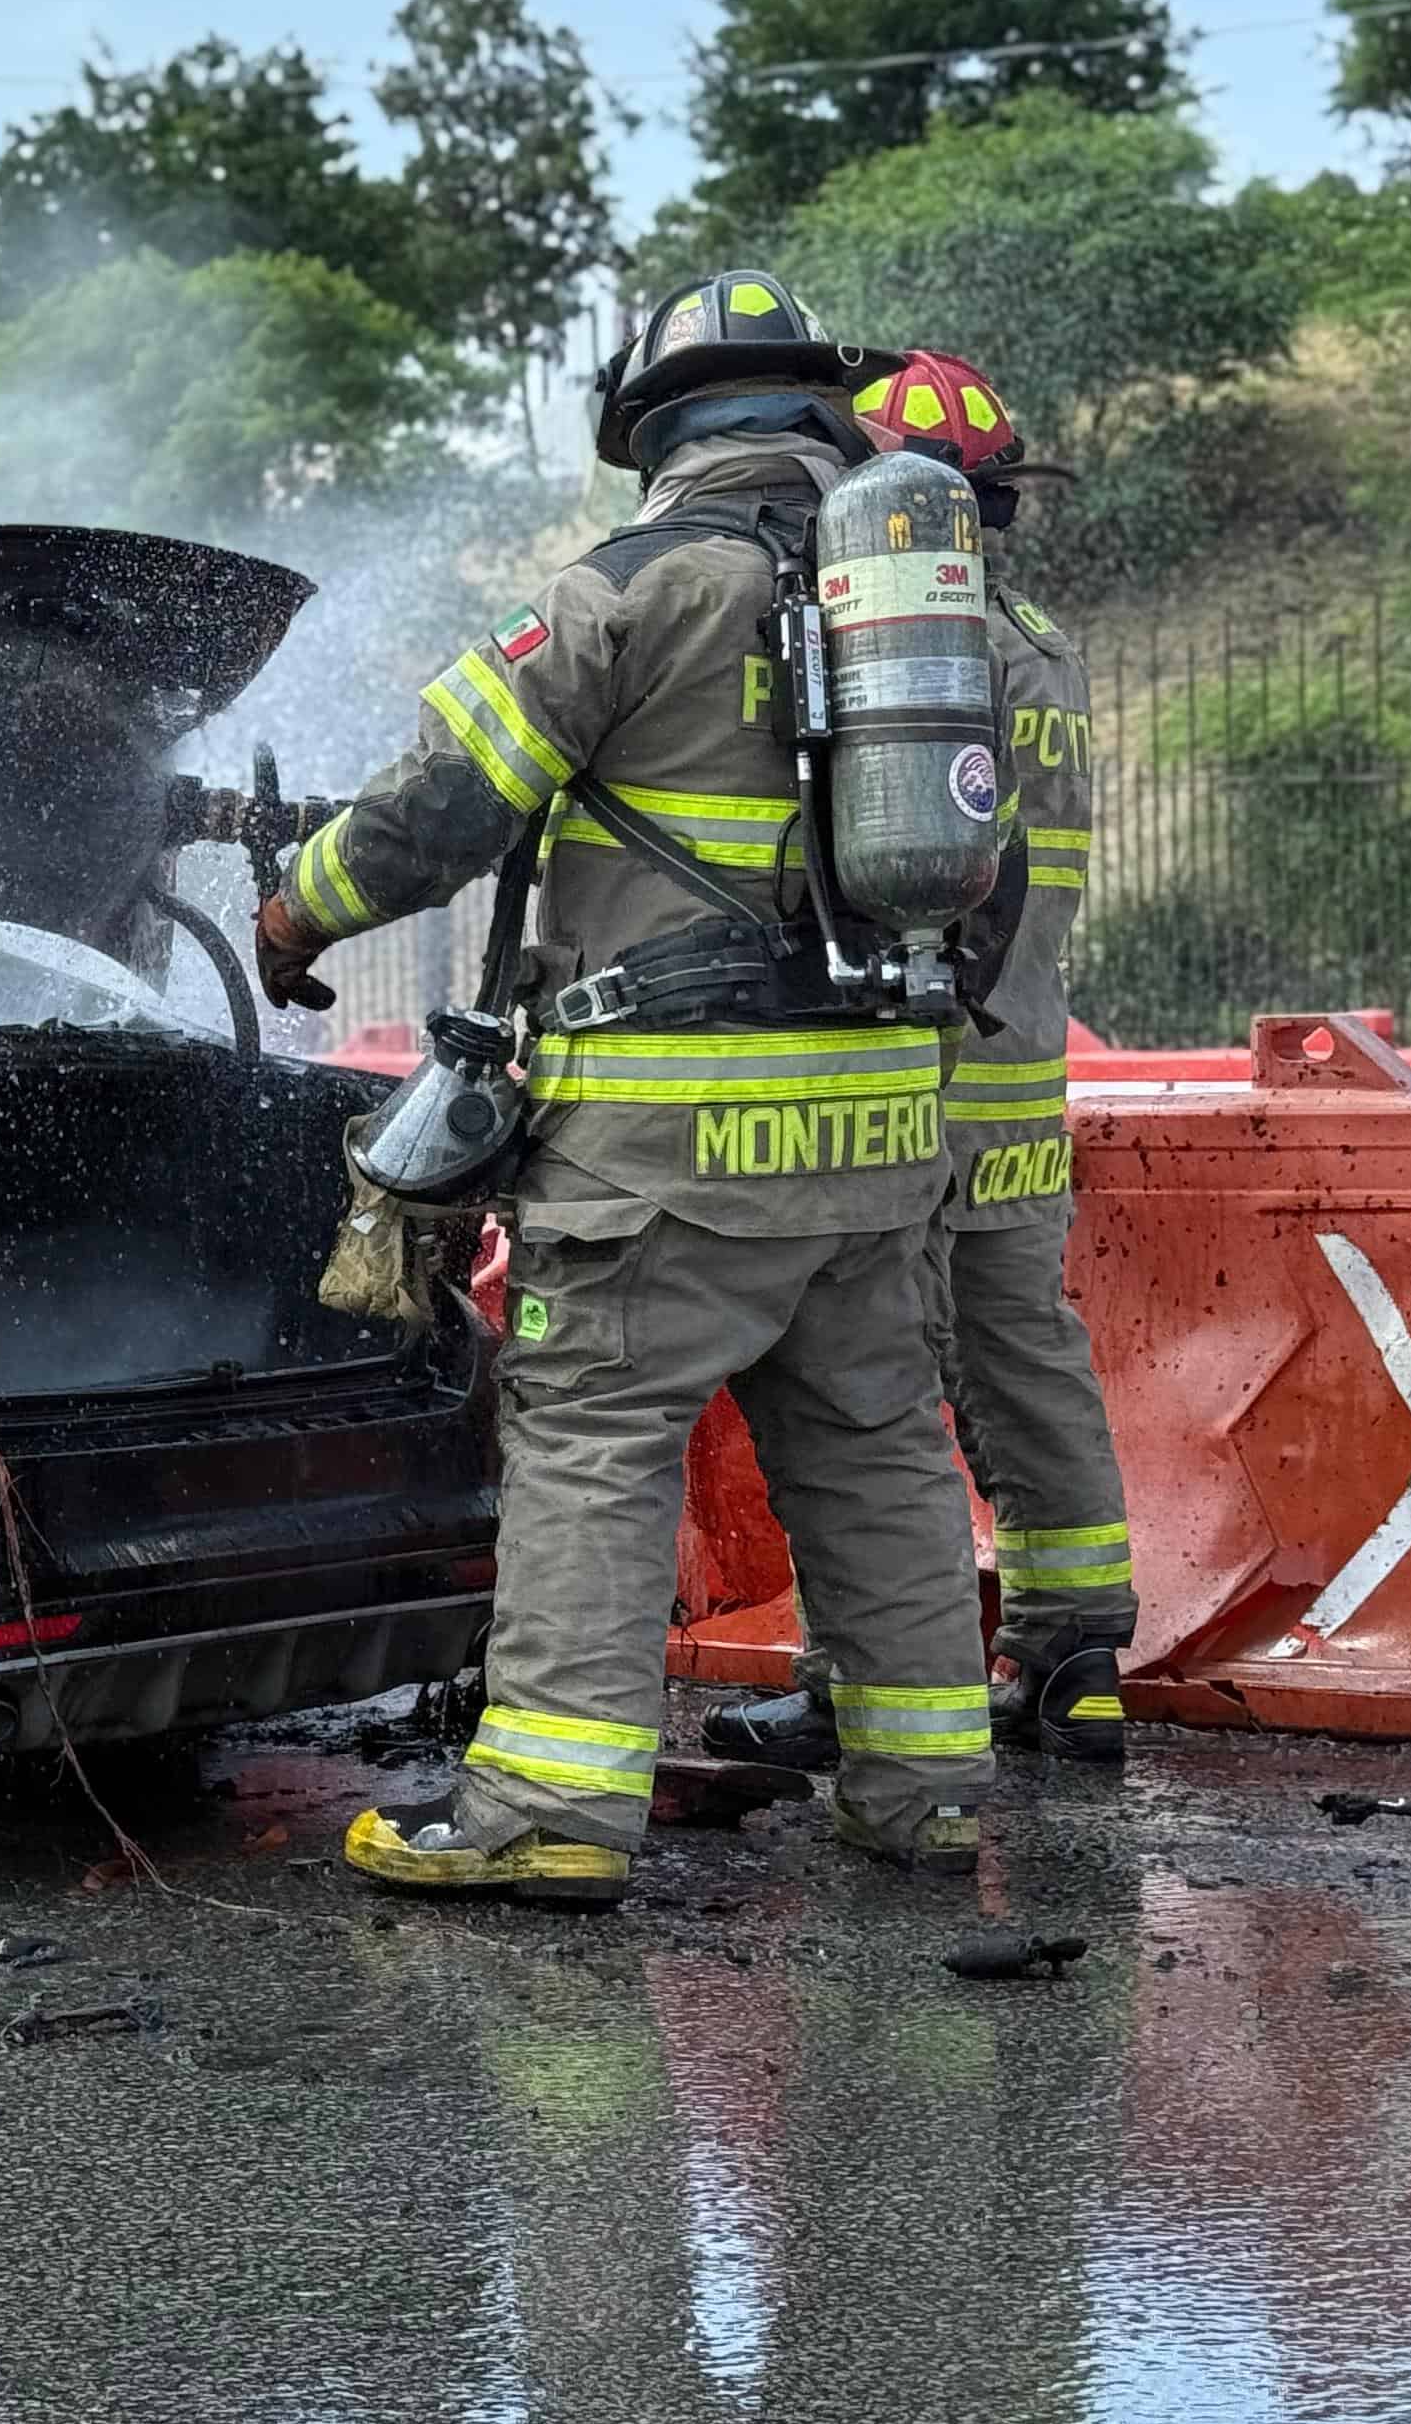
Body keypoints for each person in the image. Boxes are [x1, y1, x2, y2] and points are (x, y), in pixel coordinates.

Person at [259, 272, 993, 1903]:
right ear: (819, 412)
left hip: (672, 1146)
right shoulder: (940, 619)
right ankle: (928, 1786)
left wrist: (294, 903)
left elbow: (441, 810)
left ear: (653, 431)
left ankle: (547, 1811)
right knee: (875, 1447)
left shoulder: (628, 591)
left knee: (596, 1441)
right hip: (881, 1132)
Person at [705, 351, 1134, 1772]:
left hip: (933, 1064)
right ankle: (1079, 1665)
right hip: (1025, 1064)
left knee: (869, 1378)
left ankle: (865, 1683)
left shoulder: (926, 641)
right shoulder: (1045, 640)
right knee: (1026, 1354)